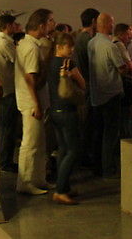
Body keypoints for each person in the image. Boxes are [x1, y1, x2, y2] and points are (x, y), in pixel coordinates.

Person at [15, 8, 56, 195]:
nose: (53, 24)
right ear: (41, 25)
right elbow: (31, 78)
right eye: (50, 21)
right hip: (32, 103)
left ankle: (39, 179)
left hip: (34, 100)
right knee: (30, 144)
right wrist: (37, 104)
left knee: (39, 144)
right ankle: (25, 182)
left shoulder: (28, 44)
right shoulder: (31, 48)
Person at [87, 13, 128, 178]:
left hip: (96, 93)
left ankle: (97, 166)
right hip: (111, 93)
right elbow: (121, 68)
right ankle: (108, 167)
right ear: (108, 25)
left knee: (98, 132)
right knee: (110, 133)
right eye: (112, 23)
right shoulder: (111, 46)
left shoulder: (91, 43)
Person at [47, 32, 85, 205]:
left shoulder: (51, 63)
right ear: (60, 46)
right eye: (69, 46)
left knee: (63, 149)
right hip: (68, 111)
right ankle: (60, 190)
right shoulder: (67, 63)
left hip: (55, 110)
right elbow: (82, 83)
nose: (72, 49)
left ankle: (65, 186)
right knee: (73, 150)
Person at [0, 13, 20, 173]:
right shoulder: (5, 43)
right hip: (8, 90)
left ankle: (5, 159)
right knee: (8, 129)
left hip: (6, 89)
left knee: (7, 128)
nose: (16, 27)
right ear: (8, 26)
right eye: (14, 25)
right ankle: (5, 161)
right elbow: (18, 60)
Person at [75, 8, 100, 167]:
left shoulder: (79, 38)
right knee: (88, 124)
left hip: (82, 86)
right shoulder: (87, 40)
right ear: (93, 22)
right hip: (87, 86)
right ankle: (85, 157)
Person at [114, 23, 132, 138]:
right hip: (125, 82)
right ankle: (127, 138)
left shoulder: (111, 43)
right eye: (127, 35)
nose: (129, 38)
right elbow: (129, 64)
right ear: (121, 34)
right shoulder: (119, 45)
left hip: (117, 84)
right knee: (126, 114)